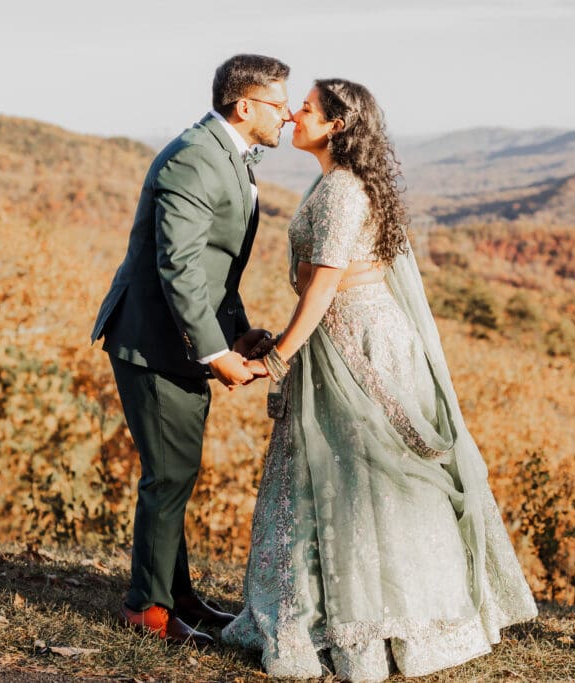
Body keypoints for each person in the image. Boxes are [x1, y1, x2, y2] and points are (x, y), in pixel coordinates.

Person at [221, 79, 538, 680]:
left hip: (357, 341)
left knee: (365, 472)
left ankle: (385, 625)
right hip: (347, 331)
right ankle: (336, 611)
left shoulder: (342, 191)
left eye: (307, 108)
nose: (293, 114)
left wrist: (279, 355)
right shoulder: (334, 183)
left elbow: (322, 284)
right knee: (343, 471)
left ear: (338, 125)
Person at [90, 54, 290, 647]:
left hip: (183, 342)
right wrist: (214, 352)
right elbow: (176, 266)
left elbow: (212, 270)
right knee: (169, 475)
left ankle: (178, 598)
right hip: (153, 343)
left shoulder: (226, 155)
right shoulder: (192, 158)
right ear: (245, 105)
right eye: (279, 104)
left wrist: (238, 332)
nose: (287, 114)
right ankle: (147, 612)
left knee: (177, 472)